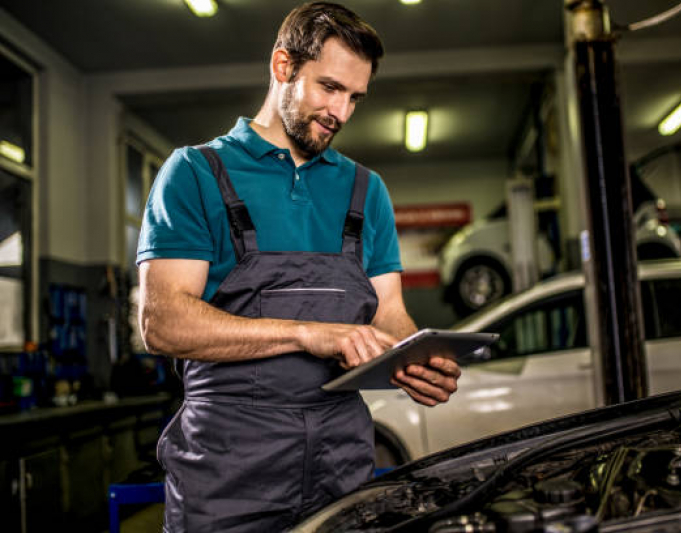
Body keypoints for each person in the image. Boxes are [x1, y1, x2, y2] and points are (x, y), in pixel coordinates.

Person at [136, 2, 461, 532]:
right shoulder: (195, 173)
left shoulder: (365, 188)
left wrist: (414, 357)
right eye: (329, 88)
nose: (342, 112)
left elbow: (389, 312)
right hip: (227, 468)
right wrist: (309, 333)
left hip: (342, 460)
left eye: (355, 97)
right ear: (283, 66)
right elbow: (164, 323)